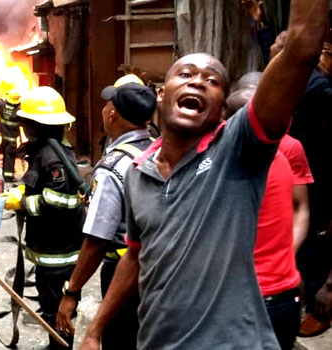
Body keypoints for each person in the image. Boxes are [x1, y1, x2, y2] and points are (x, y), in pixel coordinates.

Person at [79, 0, 329, 348]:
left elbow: (302, 47)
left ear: (221, 110)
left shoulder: (236, 149)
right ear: (161, 95)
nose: (197, 82)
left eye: (212, 81)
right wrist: (94, 330)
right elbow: (136, 255)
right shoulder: (137, 173)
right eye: (185, 74)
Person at [56, 74, 156, 350]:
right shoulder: (159, 148)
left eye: (107, 105)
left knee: (121, 340)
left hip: (124, 275)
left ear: (112, 114)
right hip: (159, 270)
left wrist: (71, 291)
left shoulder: (113, 166)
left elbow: (98, 239)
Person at [226, 81, 314, 350]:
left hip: (270, 293)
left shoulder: (285, 156)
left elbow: (301, 208)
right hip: (238, 293)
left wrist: (286, 257)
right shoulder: (215, 162)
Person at [2, 86, 86, 349]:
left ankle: (60, 346)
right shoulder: (53, 149)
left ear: (33, 125)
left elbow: (60, 200)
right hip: (54, 249)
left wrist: (24, 202)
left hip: (57, 254)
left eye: (25, 122)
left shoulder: (52, 157)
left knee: (56, 311)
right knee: (54, 308)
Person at [270, 26, 332, 336]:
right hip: (295, 165)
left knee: (313, 241)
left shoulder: (317, 87)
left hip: (316, 172)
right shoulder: (294, 81)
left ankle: (322, 305)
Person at [0, 90, 21, 181]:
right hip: (12, 138)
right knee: (10, 156)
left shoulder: (2, 106)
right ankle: (9, 176)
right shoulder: (18, 111)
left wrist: (5, 97)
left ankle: (5, 173)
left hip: (4, 136)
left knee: (6, 155)